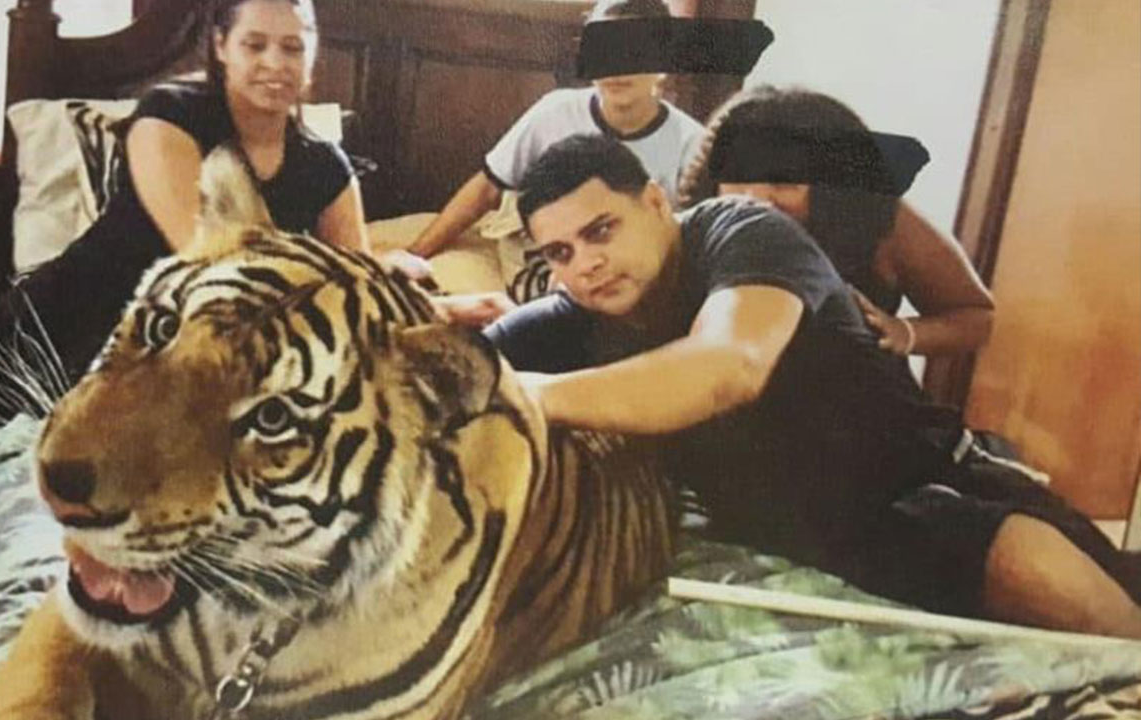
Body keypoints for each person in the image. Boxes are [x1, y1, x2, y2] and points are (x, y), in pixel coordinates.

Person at [0, 0, 386, 650]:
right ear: (221, 47)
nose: (275, 64)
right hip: (70, 315)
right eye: (256, 45)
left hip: (182, 359)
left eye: (293, 47)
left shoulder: (325, 168)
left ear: (312, 58)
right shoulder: (171, 114)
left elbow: (358, 293)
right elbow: (204, 258)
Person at [486, 134, 1141, 638]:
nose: (586, 265)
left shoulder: (739, 230)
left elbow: (729, 366)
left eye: (601, 230)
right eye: (560, 254)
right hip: (812, 540)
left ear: (656, 203)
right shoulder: (575, 315)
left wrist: (531, 397)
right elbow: (461, 369)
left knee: (1085, 607)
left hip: (930, 486)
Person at [409, 0, 705, 326]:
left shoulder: (693, 145)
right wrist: (413, 256)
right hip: (547, 256)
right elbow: (486, 189)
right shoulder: (554, 113)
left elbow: (685, 247)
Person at [679, 85, 994, 357]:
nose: (755, 198)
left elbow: (977, 316)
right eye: (738, 177)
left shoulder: (880, 219)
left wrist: (906, 333)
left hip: (856, 401)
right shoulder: (692, 227)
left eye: (784, 182)